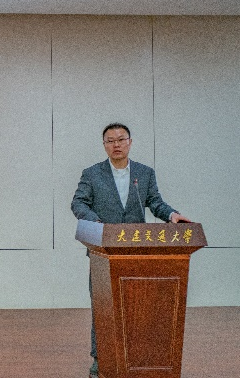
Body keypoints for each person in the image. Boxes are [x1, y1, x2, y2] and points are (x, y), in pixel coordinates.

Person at [71, 123, 190, 378]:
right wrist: (95, 222)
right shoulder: (92, 174)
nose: (116, 144)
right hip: (104, 252)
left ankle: (136, 357)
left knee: (138, 307)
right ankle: (100, 358)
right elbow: (78, 203)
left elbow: (155, 202)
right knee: (103, 306)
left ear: (130, 142)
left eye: (121, 139)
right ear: (104, 145)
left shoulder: (144, 173)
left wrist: (172, 215)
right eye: (110, 140)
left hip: (136, 253)